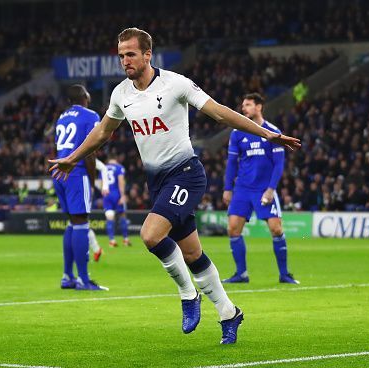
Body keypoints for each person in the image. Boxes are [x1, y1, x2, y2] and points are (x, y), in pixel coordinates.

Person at [49, 28, 300, 344]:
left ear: (147, 54)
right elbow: (102, 133)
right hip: (158, 182)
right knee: (193, 254)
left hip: (186, 174)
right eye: (121, 55)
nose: (125, 60)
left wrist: (265, 133)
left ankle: (187, 294)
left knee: (151, 234)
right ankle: (229, 313)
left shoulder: (175, 84)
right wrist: (72, 158)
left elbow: (220, 112)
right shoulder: (120, 94)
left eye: (131, 54)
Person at [222, 93, 299, 285]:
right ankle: (241, 274)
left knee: (276, 228)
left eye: (247, 105)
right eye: (243, 105)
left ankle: (284, 274)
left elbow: (278, 164)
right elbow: (231, 162)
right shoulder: (237, 133)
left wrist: (271, 189)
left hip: (263, 189)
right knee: (233, 229)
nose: (243, 108)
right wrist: (227, 188)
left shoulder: (272, 131)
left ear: (259, 107)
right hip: (242, 189)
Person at [53, 84, 107, 291]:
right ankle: (84, 280)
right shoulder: (90, 115)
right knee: (81, 222)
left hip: (60, 171)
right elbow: (90, 150)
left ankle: (68, 277)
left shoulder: (63, 116)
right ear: (85, 96)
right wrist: (92, 182)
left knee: (72, 223)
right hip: (77, 172)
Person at [102, 155, 131, 247]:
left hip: (106, 194)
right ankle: (125, 240)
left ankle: (112, 240)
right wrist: (122, 196)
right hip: (116, 194)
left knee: (109, 216)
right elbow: (121, 181)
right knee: (122, 215)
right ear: (116, 160)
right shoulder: (119, 167)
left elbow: (100, 182)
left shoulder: (104, 168)